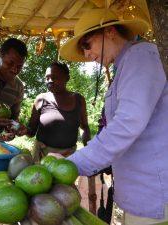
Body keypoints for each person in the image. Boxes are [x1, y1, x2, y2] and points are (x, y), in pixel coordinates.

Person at [54, 9, 168, 224]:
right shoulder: (125, 64)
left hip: (153, 190)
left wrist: (73, 164)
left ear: (110, 32)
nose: (86, 55)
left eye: (87, 45)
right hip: (138, 191)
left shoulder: (141, 56)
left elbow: (127, 123)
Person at [19, 62, 90, 161]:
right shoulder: (41, 99)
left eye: (54, 77)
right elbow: (31, 131)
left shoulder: (78, 99)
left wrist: (89, 150)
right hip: (42, 155)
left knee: (65, 176)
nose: (50, 81)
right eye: (47, 78)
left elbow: (85, 127)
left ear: (67, 78)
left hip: (68, 157)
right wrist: (25, 130)